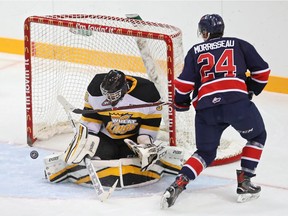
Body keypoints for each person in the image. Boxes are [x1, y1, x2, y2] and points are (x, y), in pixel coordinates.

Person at [160, 14, 270, 209]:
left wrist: (181, 103)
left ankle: (180, 182)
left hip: (206, 108)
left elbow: (184, 84)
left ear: (204, 32)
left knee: (205, 152)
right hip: (236, 104)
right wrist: (251, 88)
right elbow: (262, 71)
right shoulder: (239, 44)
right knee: (258, 136)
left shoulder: (195, 51)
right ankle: (245, 183)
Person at [44, 69, 184, 188]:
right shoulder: (95, 89)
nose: (109, 100)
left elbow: (149, 127)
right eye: (107, 95)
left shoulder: (148, 93)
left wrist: (145, 145)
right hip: (107, 137)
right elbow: (92, 122)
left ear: (124, 89)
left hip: (131, 140)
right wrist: (86, 141)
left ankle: (159, 157)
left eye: (114, 96)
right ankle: (66, 165)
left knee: (140, 158)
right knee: (97, 154)